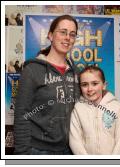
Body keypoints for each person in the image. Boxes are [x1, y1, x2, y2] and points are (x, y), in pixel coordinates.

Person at [14, 15, 80, 155]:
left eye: (72, 34)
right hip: (38, 150)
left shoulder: (76, 73)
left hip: (70, 150)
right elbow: (21, 115)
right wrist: (22, 155)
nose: (68, 37)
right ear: (50, 35)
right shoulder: (32, 70)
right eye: (63, 32)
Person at [69, 65, 120, 155]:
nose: (89, 89)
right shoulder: (78, 108)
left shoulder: (117, 108)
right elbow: (75, 141)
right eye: (84, 85)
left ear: (104, 85)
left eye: (95, 84)